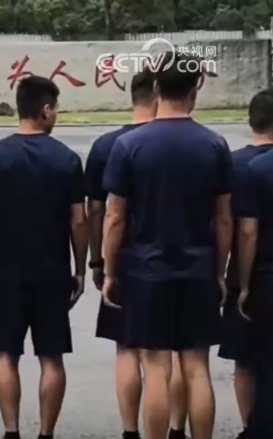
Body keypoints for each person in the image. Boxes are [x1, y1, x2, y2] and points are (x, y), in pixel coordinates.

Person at [101, 52, 231, 439]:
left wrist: (109, 270)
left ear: (156, 89)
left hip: (145, 270)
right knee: (197, 367)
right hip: (198, 268)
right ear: (195, 91)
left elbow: (114, 216)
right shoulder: (215, 145)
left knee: (156, 367)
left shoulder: (129, 144)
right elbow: (224, 218)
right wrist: (219, 271)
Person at [0, 75, 87, 439]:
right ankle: (46, 433)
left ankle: (11, 431)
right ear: (45, 109)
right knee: (51, 357)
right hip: (53, 272)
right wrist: (80, 270)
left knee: (6, 354)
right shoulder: (67, 159)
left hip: (7, 271)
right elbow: (78, 220)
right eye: (56, 109)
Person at [85, 70, 189, 439]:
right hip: (182, 259)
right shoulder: (183, 142)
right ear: (159, 95)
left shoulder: (107, 145)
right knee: (176, 352)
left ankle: (131, 430)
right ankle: (176, 428)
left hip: (127, 260)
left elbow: (97, 210)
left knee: (127, 348)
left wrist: (98, 260)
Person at [219, 89, 273, 439]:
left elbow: (236, 227)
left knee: (245, 359)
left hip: (252, 273)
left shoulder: (234, 164)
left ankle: (250, 426)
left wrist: (234, 277)